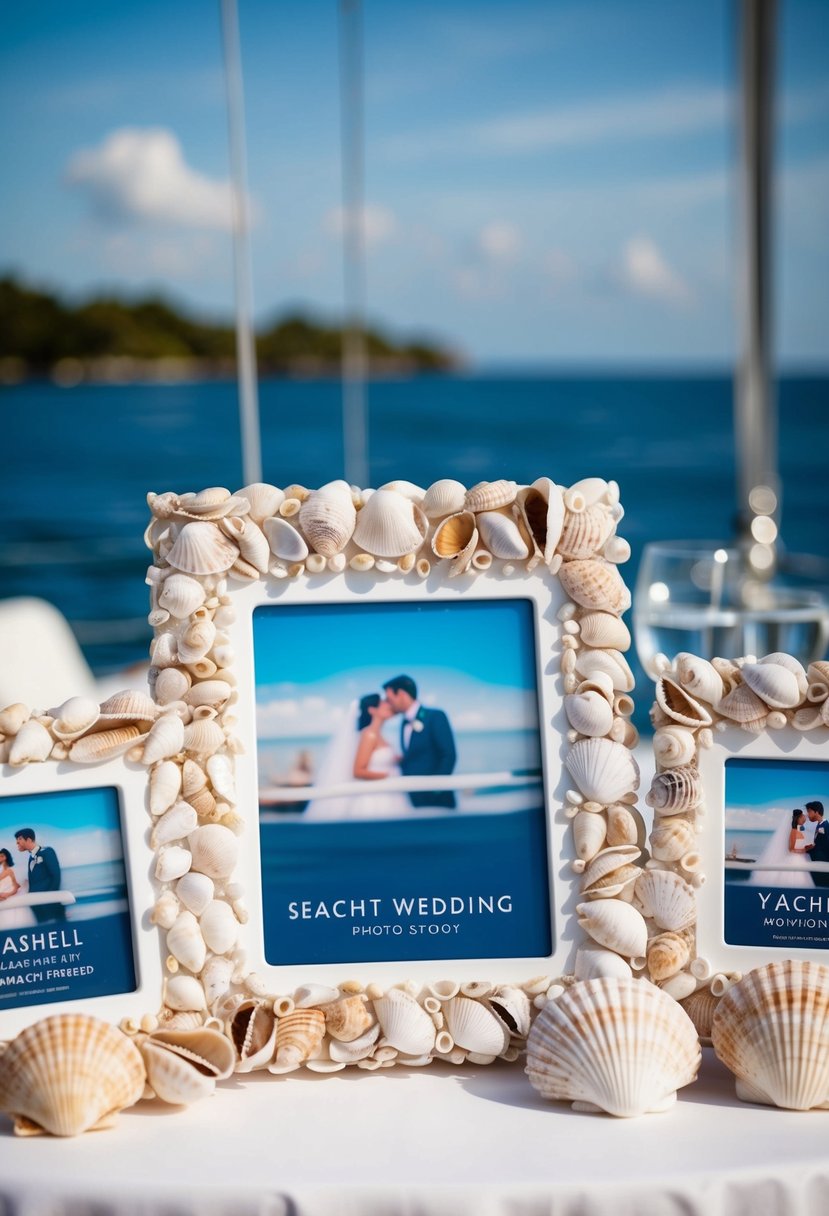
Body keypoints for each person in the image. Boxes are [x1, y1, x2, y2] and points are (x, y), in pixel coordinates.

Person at [303, 695, 411, 820]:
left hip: (390, 794)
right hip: (375, 798)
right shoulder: (369, 735)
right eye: (383, 703)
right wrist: (387, 776)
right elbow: (358, 771)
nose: (389, 705)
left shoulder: (380, 735)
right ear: (372, 710)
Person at [383, 675, 457, 809]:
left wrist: (435, 790)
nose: (388, 703)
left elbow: (449, 756)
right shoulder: (403, 723)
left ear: (401, 694)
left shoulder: (435, 716)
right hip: (413, 801)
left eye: (389, 699)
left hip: (437, 801)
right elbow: (417, 755)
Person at [749, 808, 812, 887]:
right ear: (798, 818)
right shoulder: (794, 831)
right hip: (795, 859)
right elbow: (791, 849)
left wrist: (808, 847)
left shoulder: (798, 830)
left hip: (801, 858)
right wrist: (803, 850)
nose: (804, 820)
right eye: (803, 818)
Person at [15, 828, 66, 923]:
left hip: (50, 906)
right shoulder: (31, 858)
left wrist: (50, 899)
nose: (17, 844)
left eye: (19, 841)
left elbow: (56, 876)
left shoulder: (47, 851)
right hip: (37, 907)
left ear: (29, 840)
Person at [0, 847, 35, 930]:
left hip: (8, 898)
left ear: (4, 857)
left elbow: (17, 886)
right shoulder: (2, 872)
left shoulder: (10, 870)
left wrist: (7, 894)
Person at [804, 801, 829, 888]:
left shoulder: (826, 826)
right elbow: (818, 844)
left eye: (809, 811)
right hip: (816, 863)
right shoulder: (819, 825)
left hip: (823, 866)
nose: (808, 814)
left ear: (817, 812)